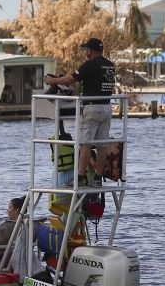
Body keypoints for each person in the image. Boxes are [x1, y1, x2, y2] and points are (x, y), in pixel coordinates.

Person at [43, 37, 116, 188]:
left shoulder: (90, 65)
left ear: (90, 51)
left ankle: (80, 178)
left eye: (86, 50)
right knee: (102, 145)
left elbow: (70, 79)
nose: (85, 52)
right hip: (107, 108)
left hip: (92, 108)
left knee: (85, 144)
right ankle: (97, 178)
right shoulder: (110, 65)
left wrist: (53, 81)